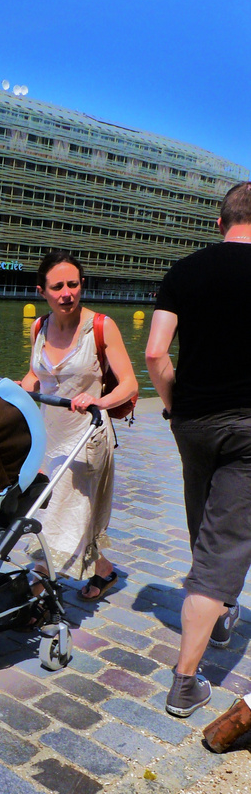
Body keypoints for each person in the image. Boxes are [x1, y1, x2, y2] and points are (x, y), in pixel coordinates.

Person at [145, 181, 251, 717]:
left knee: (203, 517)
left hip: (193, 421)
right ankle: (185, 680)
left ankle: (218, 606)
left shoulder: (184, 271)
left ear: (219, 223)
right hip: (248, 426)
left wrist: (173, 405)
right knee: (227, 538)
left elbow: (156, 352)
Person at [21, 250, 138, 599]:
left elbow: (130, 384)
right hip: (48, 435)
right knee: (70, 510)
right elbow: (34, 375)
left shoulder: (101, 327)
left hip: (88, 437)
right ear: (42, 291)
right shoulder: (38, 327)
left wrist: (98, 401)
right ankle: (104, 573)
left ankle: (39, 582)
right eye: (57, 287)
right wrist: (11, 390)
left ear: (81, 285)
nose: (66, 293)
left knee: (61, 511)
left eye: (73, 284)